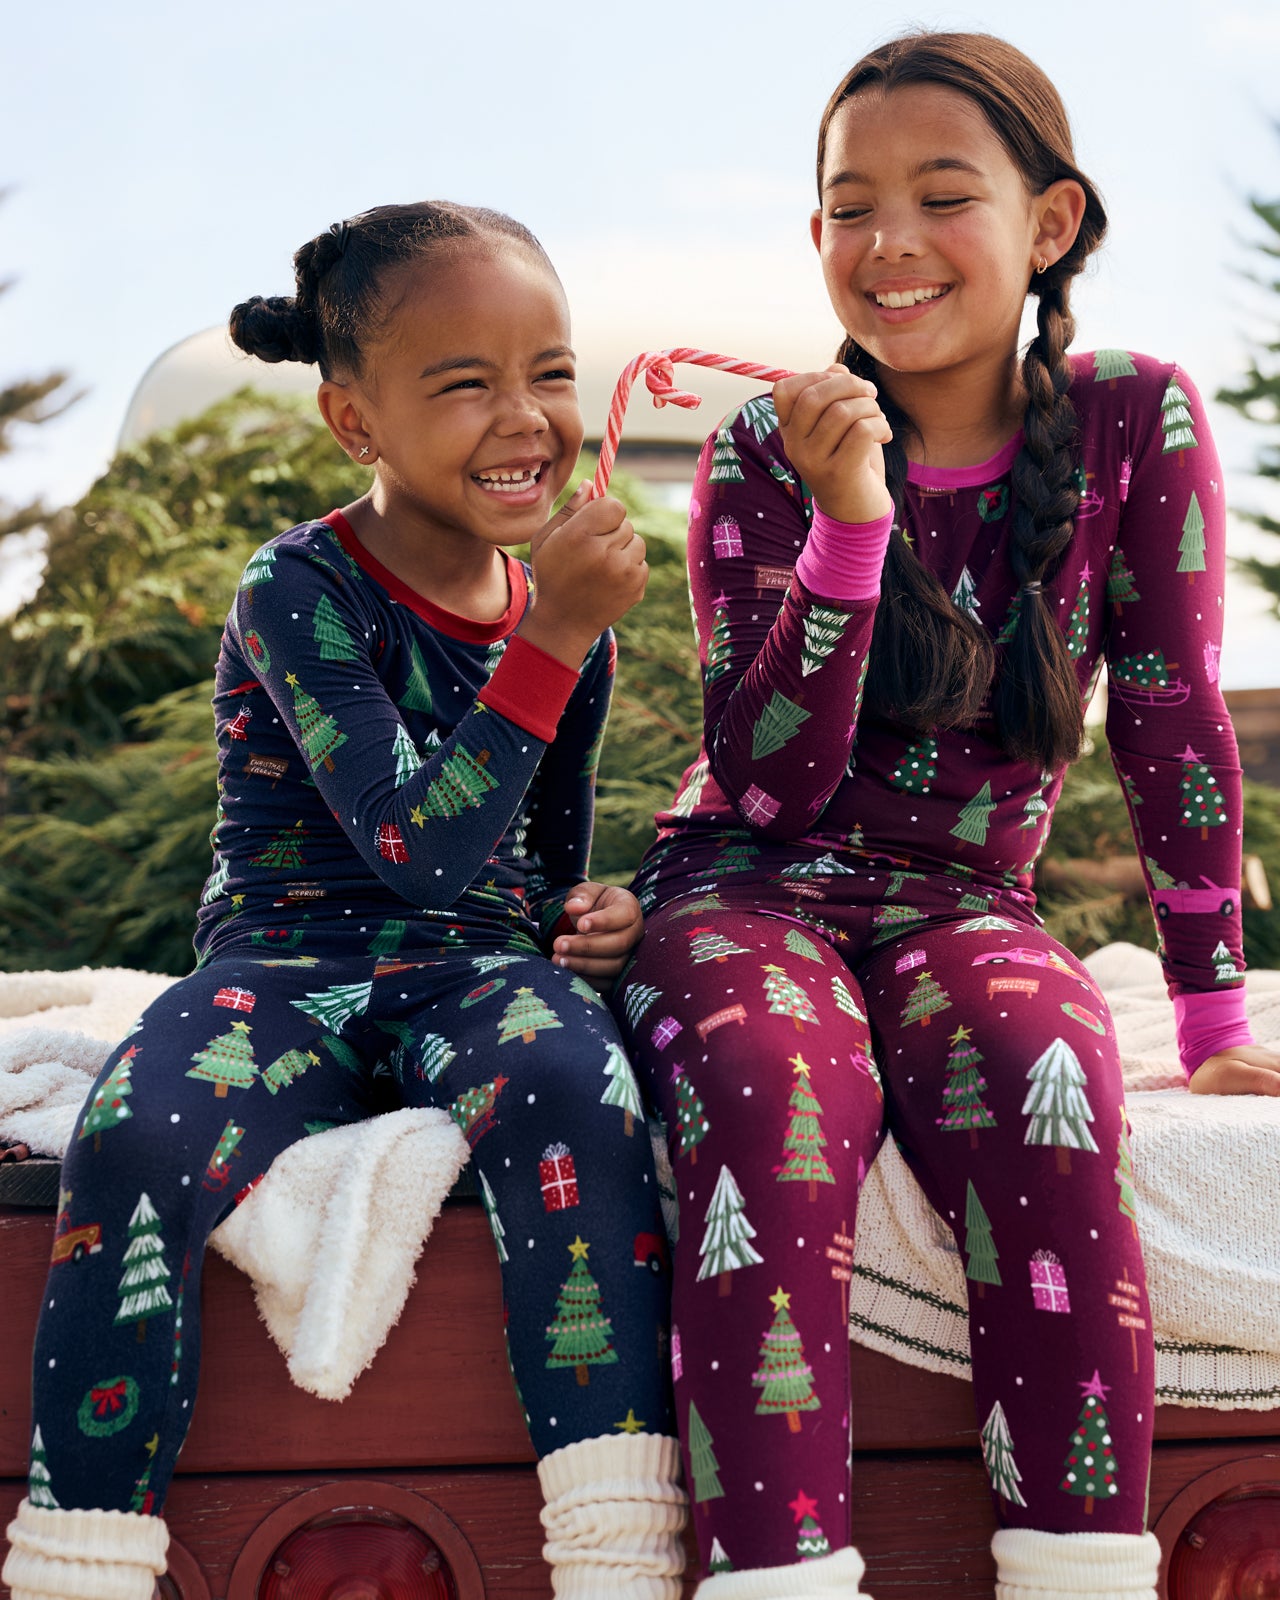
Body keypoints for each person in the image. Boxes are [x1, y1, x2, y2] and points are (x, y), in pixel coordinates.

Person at [612, 32, 1280, 1600]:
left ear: (1049, 225)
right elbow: (765, 778)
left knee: (1047, 1067)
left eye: (940, 196)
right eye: (849, 207)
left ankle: (1078, 1574)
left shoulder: (1134, 419)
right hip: (747, 888)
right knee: (771, 1092)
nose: (888, 244)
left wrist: (1208, 1023)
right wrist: (852, 531)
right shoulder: (762, 448)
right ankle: (778, 1578)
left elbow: (1173, 718)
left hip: (969, 905)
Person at [3, 203, 687, 1600]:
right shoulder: (297, 585)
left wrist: (595, 918)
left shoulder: (558, 609)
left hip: (478, 972)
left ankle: (618, 1556)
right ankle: (81, 1557)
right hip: (284, 964)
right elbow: (413, 846)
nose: (527, 418)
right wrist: (554, 635)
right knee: (131, 1139)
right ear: (353, 421)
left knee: (581, 1085)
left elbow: (529, 869)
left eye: (549, 372)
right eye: (464, 383)